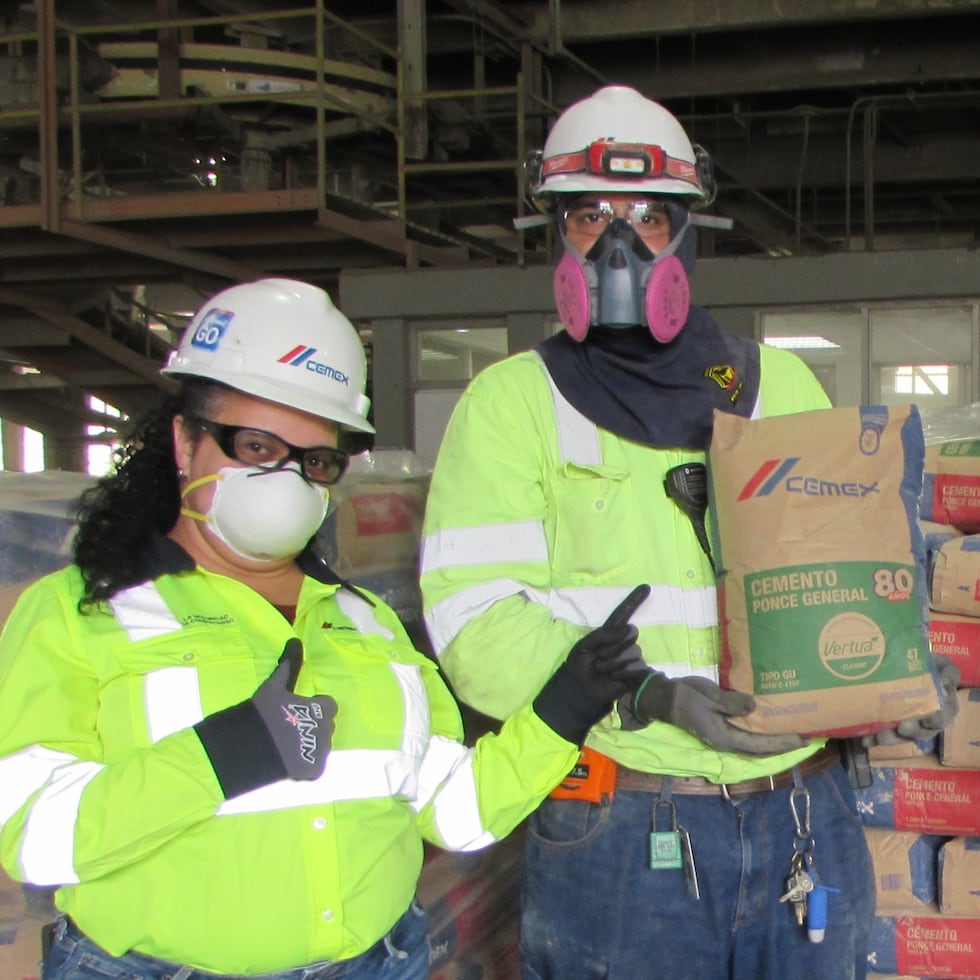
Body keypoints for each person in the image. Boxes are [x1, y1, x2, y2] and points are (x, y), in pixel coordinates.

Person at [420, 86, 957, 980]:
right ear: (557, 233)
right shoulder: (513, 403)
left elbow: (834, 565)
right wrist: (646, 696)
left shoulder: (778, 381)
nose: (619, 245)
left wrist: (888, 670)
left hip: (803, 811)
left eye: (650, 220)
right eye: (590, 216)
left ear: (689, 232)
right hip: (627, 827)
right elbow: (477, 625)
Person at [0, 277, 651, 980]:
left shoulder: (363, 625)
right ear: (185, 441)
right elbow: (32, 836)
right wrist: (220, 756)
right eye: (254, 446)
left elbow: (458, 813)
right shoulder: (81, 612)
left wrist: (565, 707)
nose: (285, 481)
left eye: (312, 460)